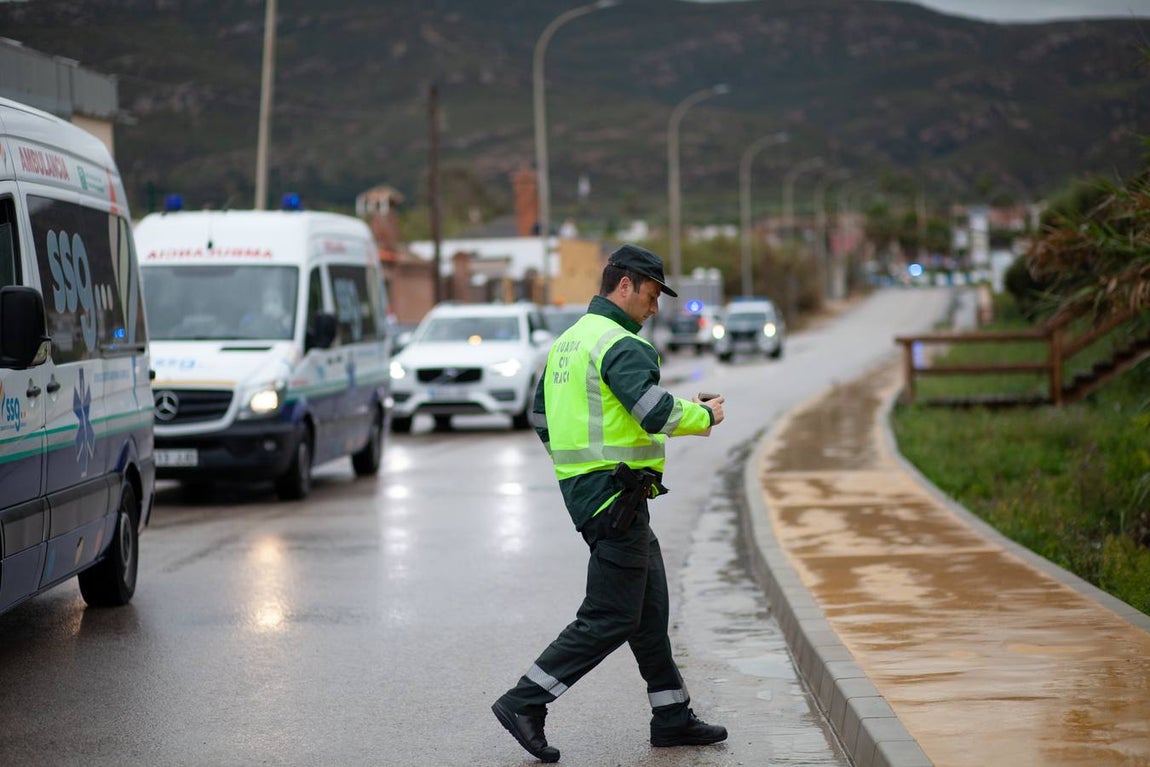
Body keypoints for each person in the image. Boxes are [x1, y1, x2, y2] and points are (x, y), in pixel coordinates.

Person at [492, 244, 727, 763]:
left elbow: (540, 417)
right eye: (651, 293)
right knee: (611, 615)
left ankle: (671, 716)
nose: (655, 307)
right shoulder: (621, 343)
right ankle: (524, 701)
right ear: (625, 285)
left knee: (649, 609)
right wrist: (703, 415)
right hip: (615, 497)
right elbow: (651, 411)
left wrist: (575, 470)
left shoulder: (569, 342)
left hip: (601, 495)